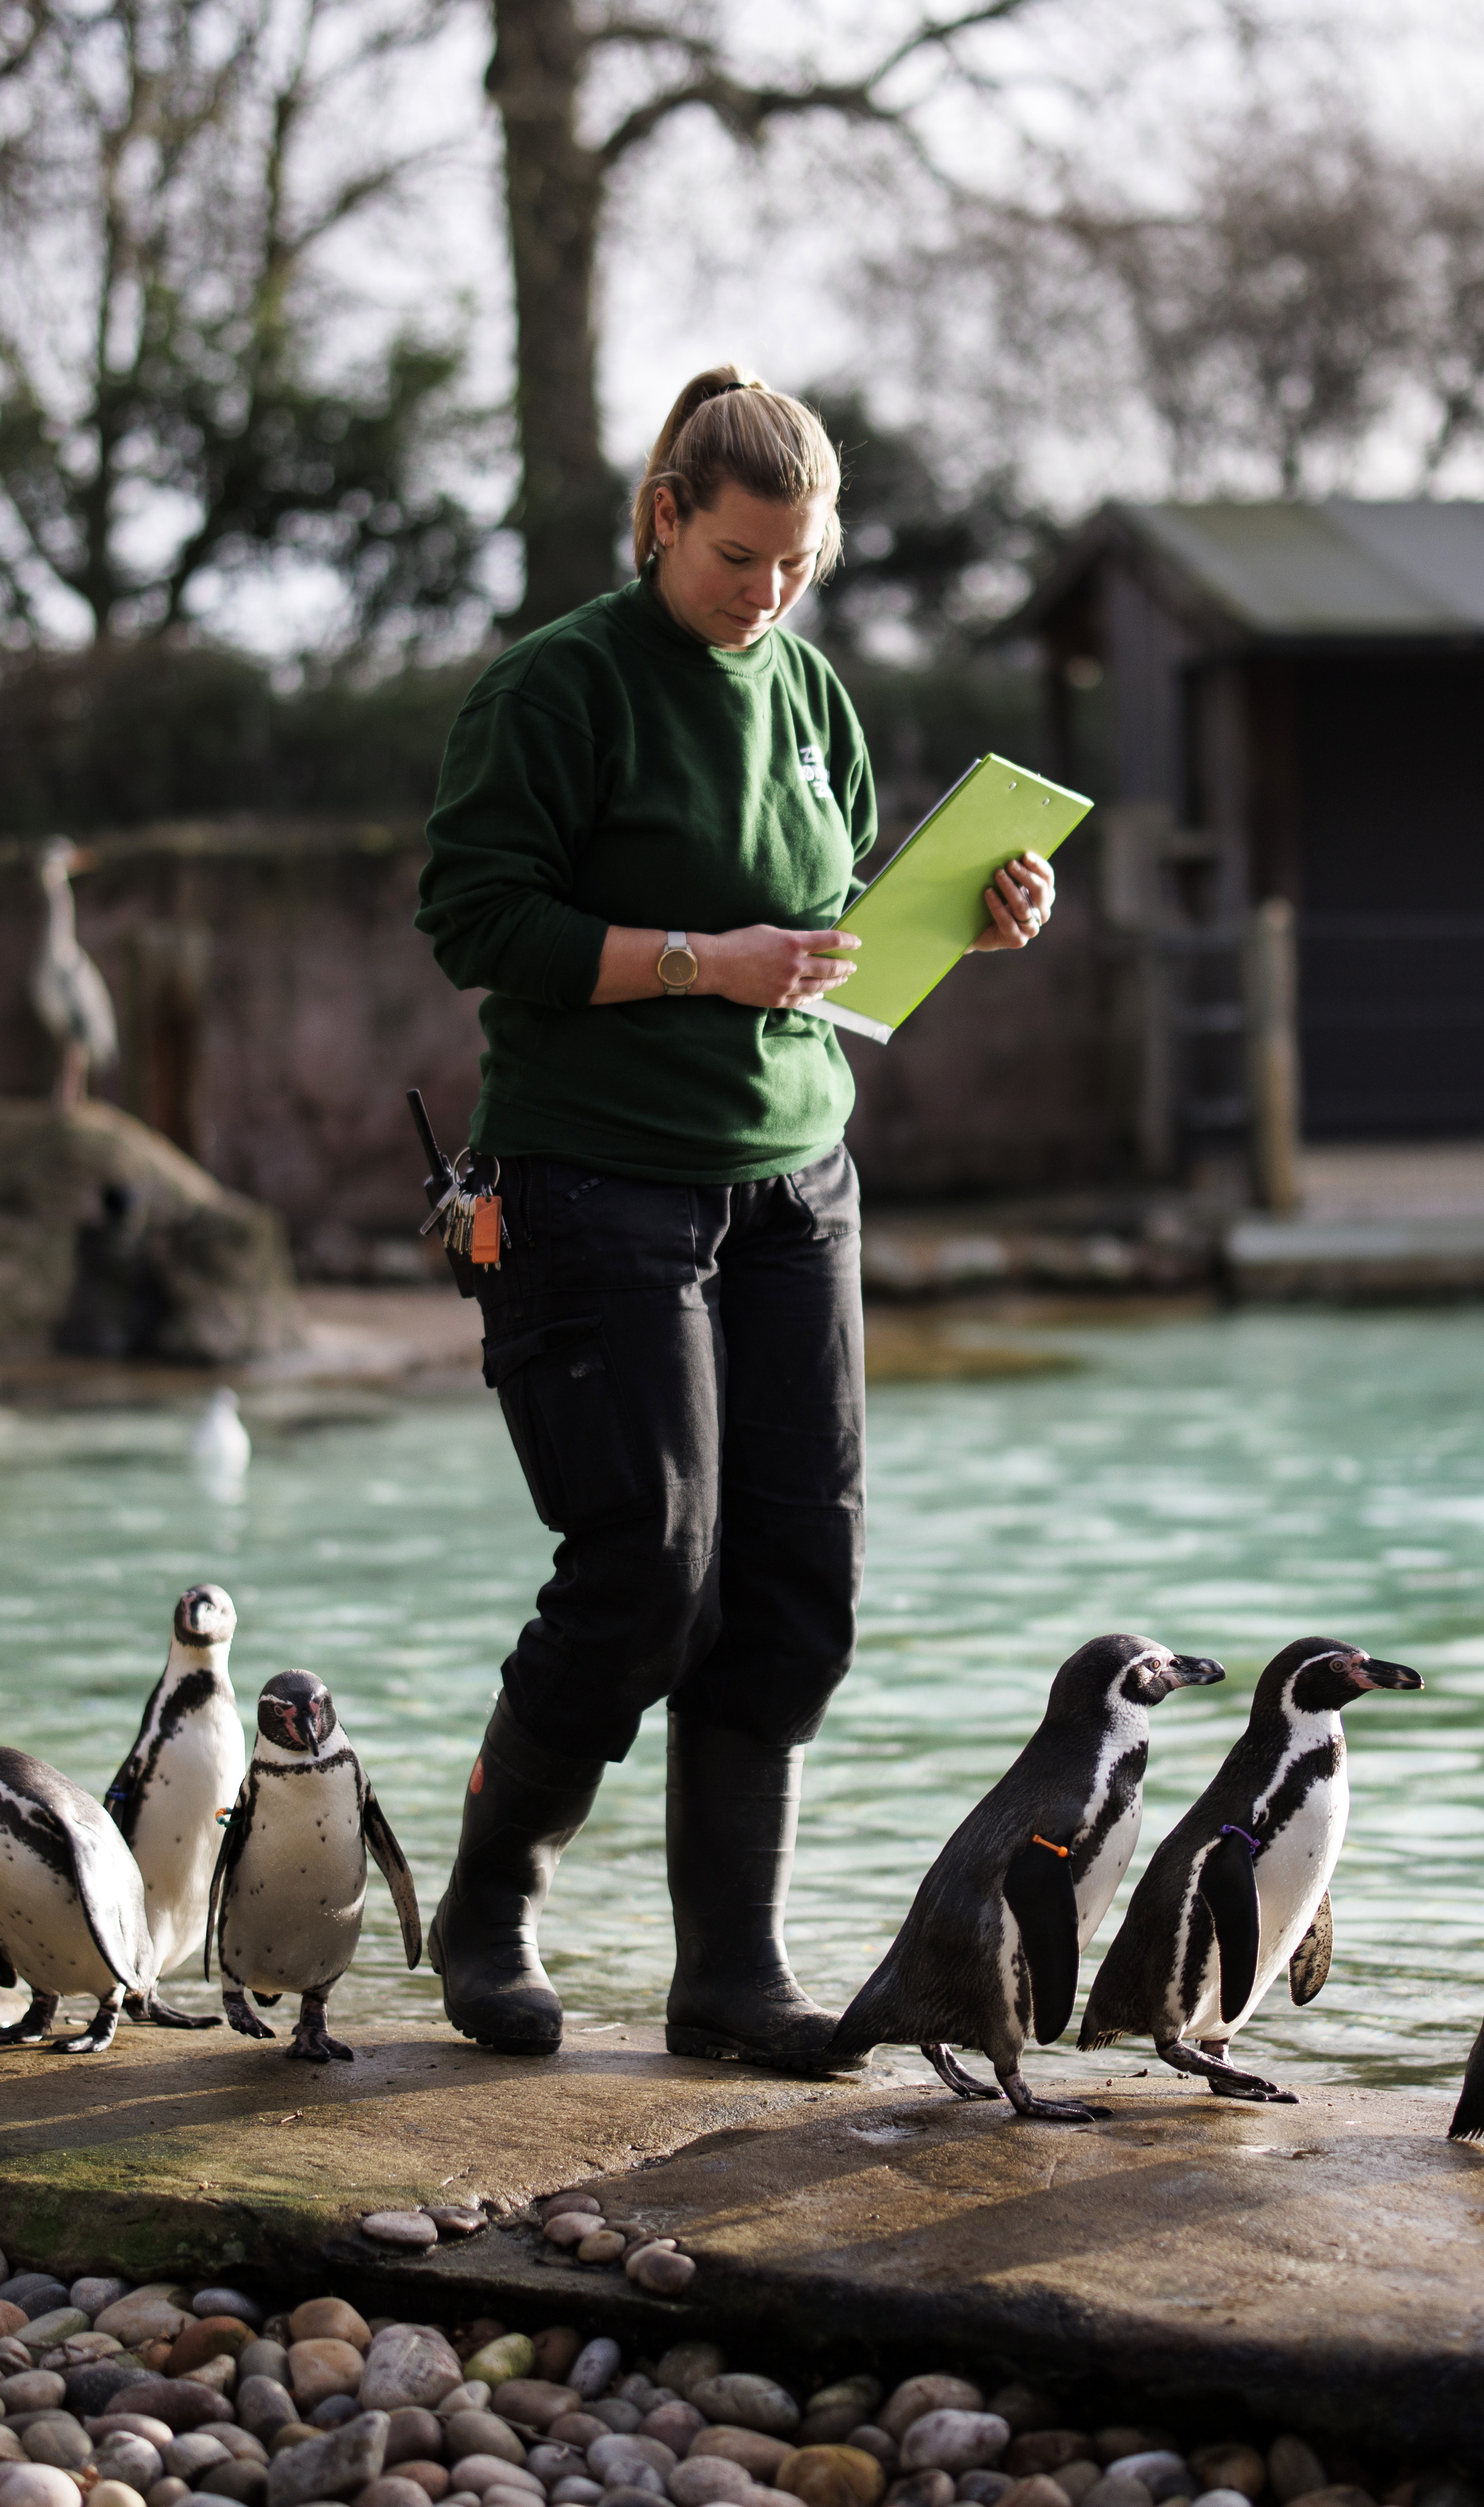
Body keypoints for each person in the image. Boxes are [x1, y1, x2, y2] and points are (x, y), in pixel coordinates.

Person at [411, 364, 1054, 2069]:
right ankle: (487, 1906)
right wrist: (699, 960)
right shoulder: (557, 688)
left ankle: (732, 1974)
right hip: (588, 1176)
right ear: (663, 517)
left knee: (798, 1579)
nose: (762, 593)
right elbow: (475, 919)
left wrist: (961, 926)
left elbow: (830, 940)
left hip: (795, 1181)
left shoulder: (811, 691)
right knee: (649, 1567)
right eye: (735, 557)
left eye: (793, 564)